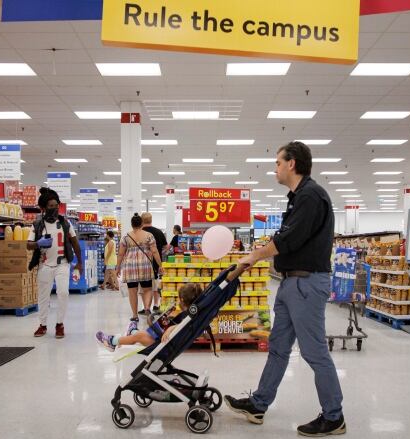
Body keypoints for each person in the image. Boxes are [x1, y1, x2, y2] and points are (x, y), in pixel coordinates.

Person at [224, 141, 345, 437]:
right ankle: (259, 403)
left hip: (306, 283)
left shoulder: (311, 196)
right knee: (278, 348)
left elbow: (289, 240)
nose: (275, 168)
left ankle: (334, 416)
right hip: (292, 282)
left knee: (314, 351)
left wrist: (253, 256)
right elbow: (285, 237)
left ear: (292, 163)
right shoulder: (297, 197)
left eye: (278, 162)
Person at [28, 188, 83, 339]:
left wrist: (79, 264)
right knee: (44, 296)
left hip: (62, 264)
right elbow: (28, 244)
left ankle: (60, 324)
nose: (54, 208)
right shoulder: (37, 225)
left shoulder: (65, 224)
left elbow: (75, 244)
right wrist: (39, 243)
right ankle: (43, 324)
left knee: (63, 293)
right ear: (43, 208)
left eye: (56, 205)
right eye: (51, 206)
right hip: (44, 265)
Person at [95, 283, 203, 351]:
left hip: (165, 345)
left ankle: (112, 342)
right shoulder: (192, 315)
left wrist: (170, 328)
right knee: (145, 332)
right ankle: (132, 331)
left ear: (183, 300)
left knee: (140, 336)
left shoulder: (189, 318)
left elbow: (183, 327)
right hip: (166, 340)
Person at [116, 213, 164, 327]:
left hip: (130, 266)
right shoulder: (149, 236)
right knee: (147, 289)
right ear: (142, 223)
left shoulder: (126, 237)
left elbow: (120, 254)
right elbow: (154, 251)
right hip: (145, 265)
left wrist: (118, 267)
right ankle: (147, 308)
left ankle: (134, 315)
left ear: (132, 224)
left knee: (132, 291)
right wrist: (160, 264)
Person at [141, 212, 168, 313]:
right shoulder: (158, 232)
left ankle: (145, 307)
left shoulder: (139, 233)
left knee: (144, 287)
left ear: (142, 220)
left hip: (142, 263)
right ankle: (156, 305)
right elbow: (165, 247)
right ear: (151, 220)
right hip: (156, 262)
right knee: (155, 284)